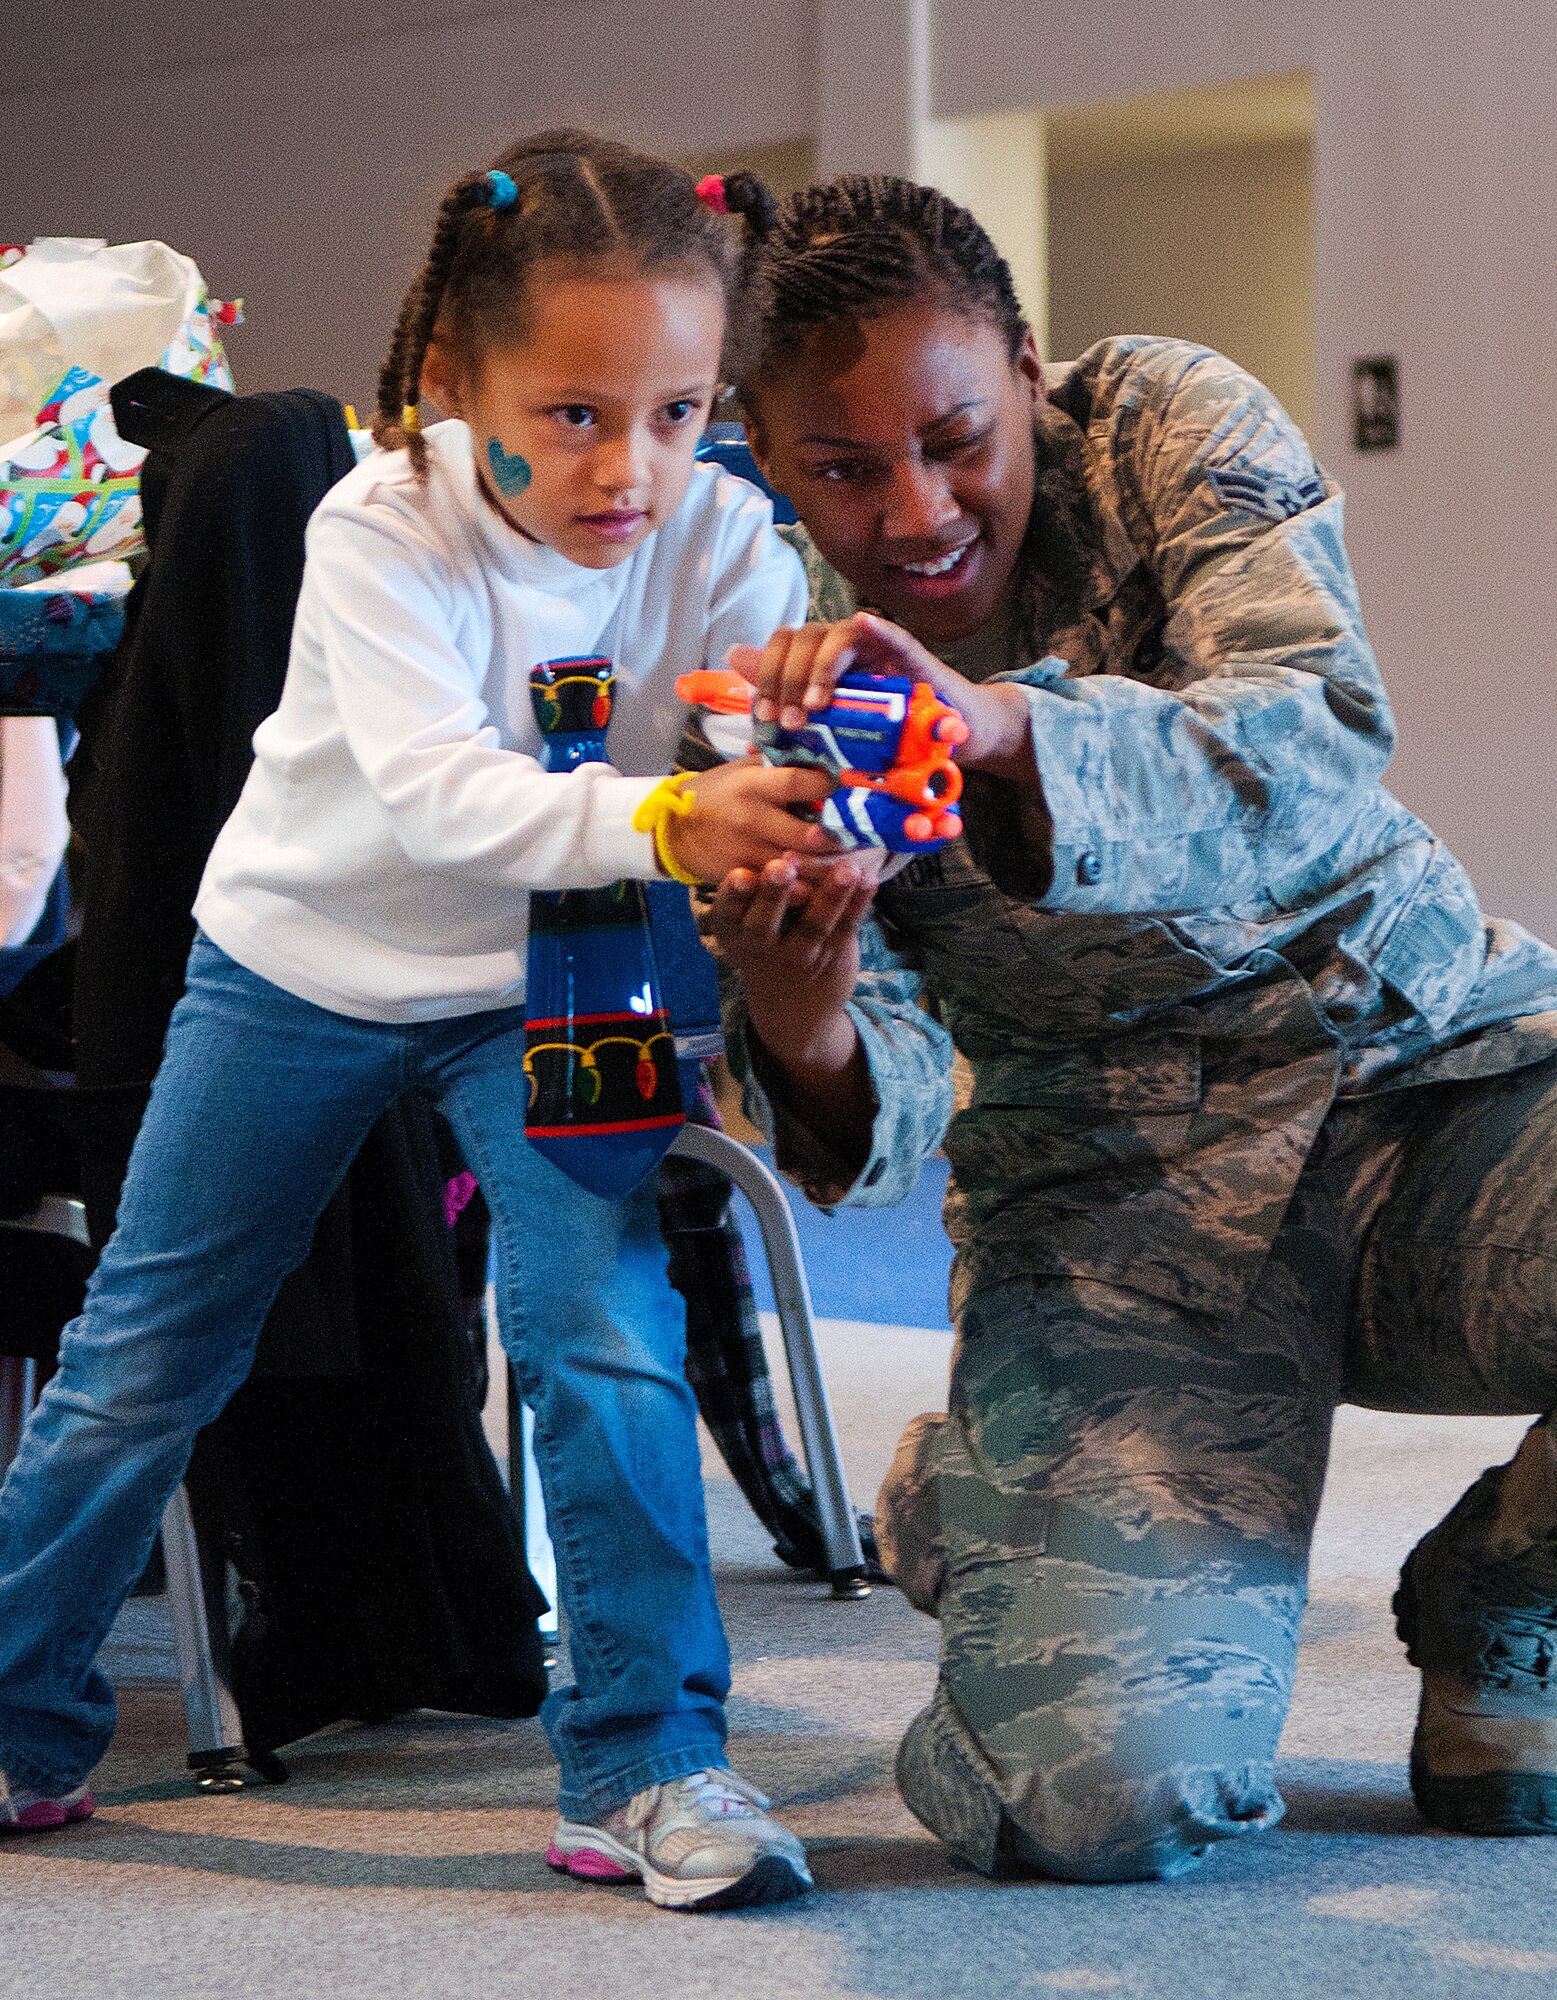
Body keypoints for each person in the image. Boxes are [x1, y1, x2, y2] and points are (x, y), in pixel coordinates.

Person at [0, 132, 832, 1911]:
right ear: (454, 386)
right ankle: (15, 1707)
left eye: (680, 412)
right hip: (302, 959)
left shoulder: (725, 532)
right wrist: (684, 817)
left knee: (600, 1330)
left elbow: (752, 752)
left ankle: (648, 1760)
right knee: (150, 1344)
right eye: (577, 413)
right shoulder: (380, 521)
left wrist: (799, 775)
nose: (634, 467)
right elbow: (446, 797)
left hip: (576, 956)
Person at [696, 169, 1557, 1884]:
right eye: (844, 469)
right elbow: (888, 1099)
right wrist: (799, 1025)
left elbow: (1308, 730)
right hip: (1117, 1216)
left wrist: (1003, 728)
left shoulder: (1162, 417)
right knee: (1097, 1801)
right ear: (768, 456)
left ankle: (1509, 1586)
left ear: (1026, 368)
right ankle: (992, 1491)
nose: (916, 511)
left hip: (1427, 1087)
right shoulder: (744, 659)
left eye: (953, 436)